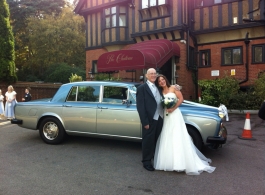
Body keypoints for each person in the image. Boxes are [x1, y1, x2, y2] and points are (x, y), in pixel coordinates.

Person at [154, 75, 216, 175]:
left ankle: (180, 163)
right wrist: (166, 107)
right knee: (168, 136)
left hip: (174, 114)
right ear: (158, 83)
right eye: (159, 81)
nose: (162, 82)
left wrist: (172, 109)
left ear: (166, 79)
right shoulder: (160, 92)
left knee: (177, 135)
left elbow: (180, 99)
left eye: (163, 79)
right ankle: (169, 162)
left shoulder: (173, 88)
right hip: (166, 116)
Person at [136, 68, 164, 171]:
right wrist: (145, 122)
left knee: (156, 139)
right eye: (151, 74)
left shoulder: (158, 87)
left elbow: (168, 88)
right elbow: (140, 107)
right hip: (150, 118)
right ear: (146, 75)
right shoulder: (142, 88)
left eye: (154, 73)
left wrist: (177, 87)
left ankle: (154, 158)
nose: (153, 75)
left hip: (160, 118)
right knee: (148, 140)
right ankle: (146, 161)